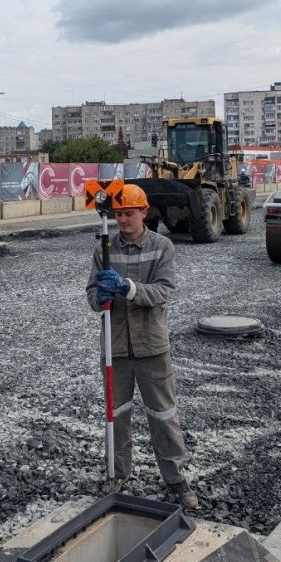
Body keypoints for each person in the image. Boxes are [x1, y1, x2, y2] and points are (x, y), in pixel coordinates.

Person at [86, 184, 198, 510]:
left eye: (129, 213)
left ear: (144, 212)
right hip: (116, 348)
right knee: (116, 415)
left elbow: (162, 291)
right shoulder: (103, 249)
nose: (123, 220)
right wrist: (100, 298)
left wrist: (128, 287)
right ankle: (119, 474)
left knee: (163, 415)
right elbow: (92, 295)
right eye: (119, 214)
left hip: (152, 347)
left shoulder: (162, 246)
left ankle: (176, 479)